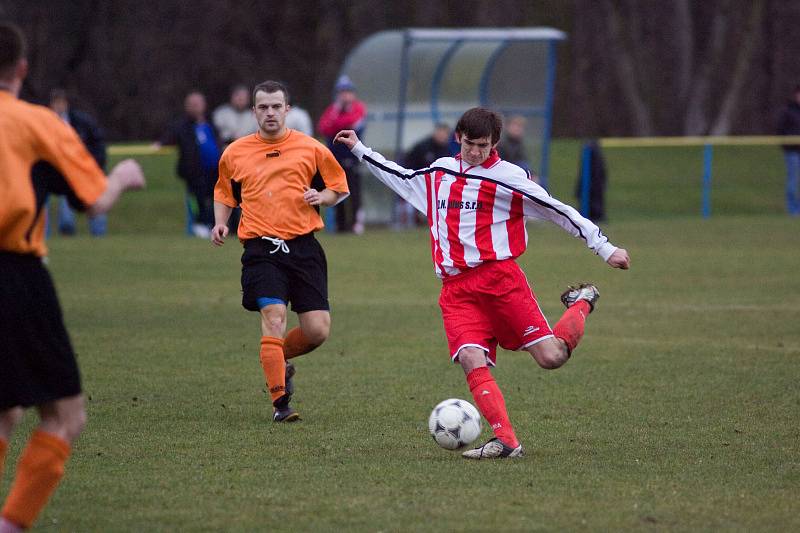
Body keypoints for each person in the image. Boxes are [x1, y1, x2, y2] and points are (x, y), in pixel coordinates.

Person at [334, 107, 630, 460]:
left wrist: (604, 247)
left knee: (551, 358)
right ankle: (506, 441)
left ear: (495, 144)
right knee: (471, 358)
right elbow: (400, 176)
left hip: (499, 281)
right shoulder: (440, 171)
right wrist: (359, 149)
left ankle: (581, 302)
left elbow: (558, 210)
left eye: (483, 146)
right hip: (455, 291)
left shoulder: (508, 178)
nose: (475, 152)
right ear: (458, 137)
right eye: (469, 144)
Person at [0, 22, 145, 532]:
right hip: (14, 275)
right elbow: (94, 201)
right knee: (64, 417)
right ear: (21, 68)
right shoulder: (35, 122)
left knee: (5, 411)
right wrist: (123, 176)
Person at [211, 80, 350, 423]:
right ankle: (280, 403)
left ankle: (274, 358)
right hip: (261, 248)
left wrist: (323, 198)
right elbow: (224, 193)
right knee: (274, 316)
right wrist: (220, 223)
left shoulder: (311, 147)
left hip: (304, 248)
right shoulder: (235, 152)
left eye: (276, 106)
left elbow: (339, 187)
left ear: (287, 109)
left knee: (317, 330)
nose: (270, 113)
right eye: (263, 107)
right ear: (254, 111)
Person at [43, 89, 109, 237]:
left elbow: (98, 142)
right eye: (55, 103)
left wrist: (95, 165)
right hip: (54, 171)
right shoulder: (43, 123)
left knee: (95, 200)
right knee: (42, 202)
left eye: (61, 102)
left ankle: (99, 236)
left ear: (66, 104)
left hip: (80, 170)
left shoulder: (81, 122)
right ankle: (44, 237)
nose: (59, 106)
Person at [157, 91, 221, 237]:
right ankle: (199, 226)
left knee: (217, 200)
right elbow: (170, 136)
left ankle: (214, 225)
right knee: (197, 201)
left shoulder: (210, 123)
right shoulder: (182, 126)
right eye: (192, 104)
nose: (195, 107)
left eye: (198, 104)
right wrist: (160, 144)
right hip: (195, 173)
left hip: (215, 171)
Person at [317, 75, 367, 234]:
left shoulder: (359, 108)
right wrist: (337, 118)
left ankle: (356, 224)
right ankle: (341, 225)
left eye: (348, 91)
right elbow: (323, 128)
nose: (345, 95)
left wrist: (337, 125)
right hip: (335, 159)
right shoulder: (332, 110)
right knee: (337, 190)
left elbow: (354, 124)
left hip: (353, 157)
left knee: (355, 191)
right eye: (342, 92)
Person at [396, 123, 453, 228]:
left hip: (437, 184)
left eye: (445, 134)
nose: (442, 136)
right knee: (408, 202)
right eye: (440, 132)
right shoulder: (423, 147)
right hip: (417, 180)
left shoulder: (447, 150)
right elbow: (409, 162)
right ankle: (406, 222)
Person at [777, 85, 800, 216]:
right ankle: (793, 211)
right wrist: (786, 145)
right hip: (792, 151)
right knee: (792, 181)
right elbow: (780, 129)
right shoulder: (788, 110)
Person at [496, 114, 534, 180]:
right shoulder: (501, 145)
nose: (517, 129)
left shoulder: (520, 145)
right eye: (515, 125)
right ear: (508, 127)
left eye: (520, 126)